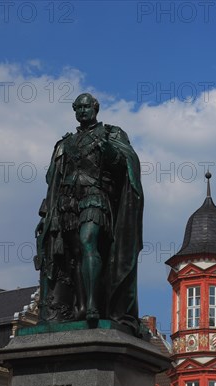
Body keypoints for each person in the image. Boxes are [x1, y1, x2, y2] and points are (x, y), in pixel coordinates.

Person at [35, 93, 144, 333]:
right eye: (79, 107)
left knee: (87, 242)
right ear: (75, 111)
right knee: (74, 254)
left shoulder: (111, 134)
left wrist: (110, 153)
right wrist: (47, 213)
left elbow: (126, 164)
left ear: (96, 108)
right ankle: (81, 306)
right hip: (67, 202)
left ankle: (95, 304)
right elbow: (53, 180)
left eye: (87, 106)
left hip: (96, 197)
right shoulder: (66, 143)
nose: (83, 111)